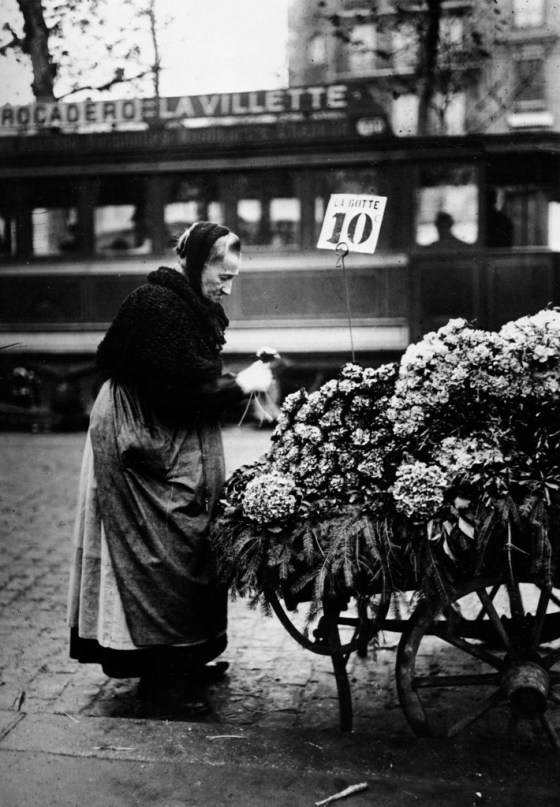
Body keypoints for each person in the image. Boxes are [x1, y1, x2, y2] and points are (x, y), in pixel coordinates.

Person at [67, 221, 273, 715]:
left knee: (190, 537)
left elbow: (188, 375)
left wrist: (237, 383)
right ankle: (161, 680)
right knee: (158, 545)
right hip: (139, 438)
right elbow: (175, 392)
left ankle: (185, 656)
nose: (227, 286)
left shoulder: (188, 303)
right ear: (198, 263)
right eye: (221, 276)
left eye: (233, 277)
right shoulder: (156, 305)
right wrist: (240, 385)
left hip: (167, 430)